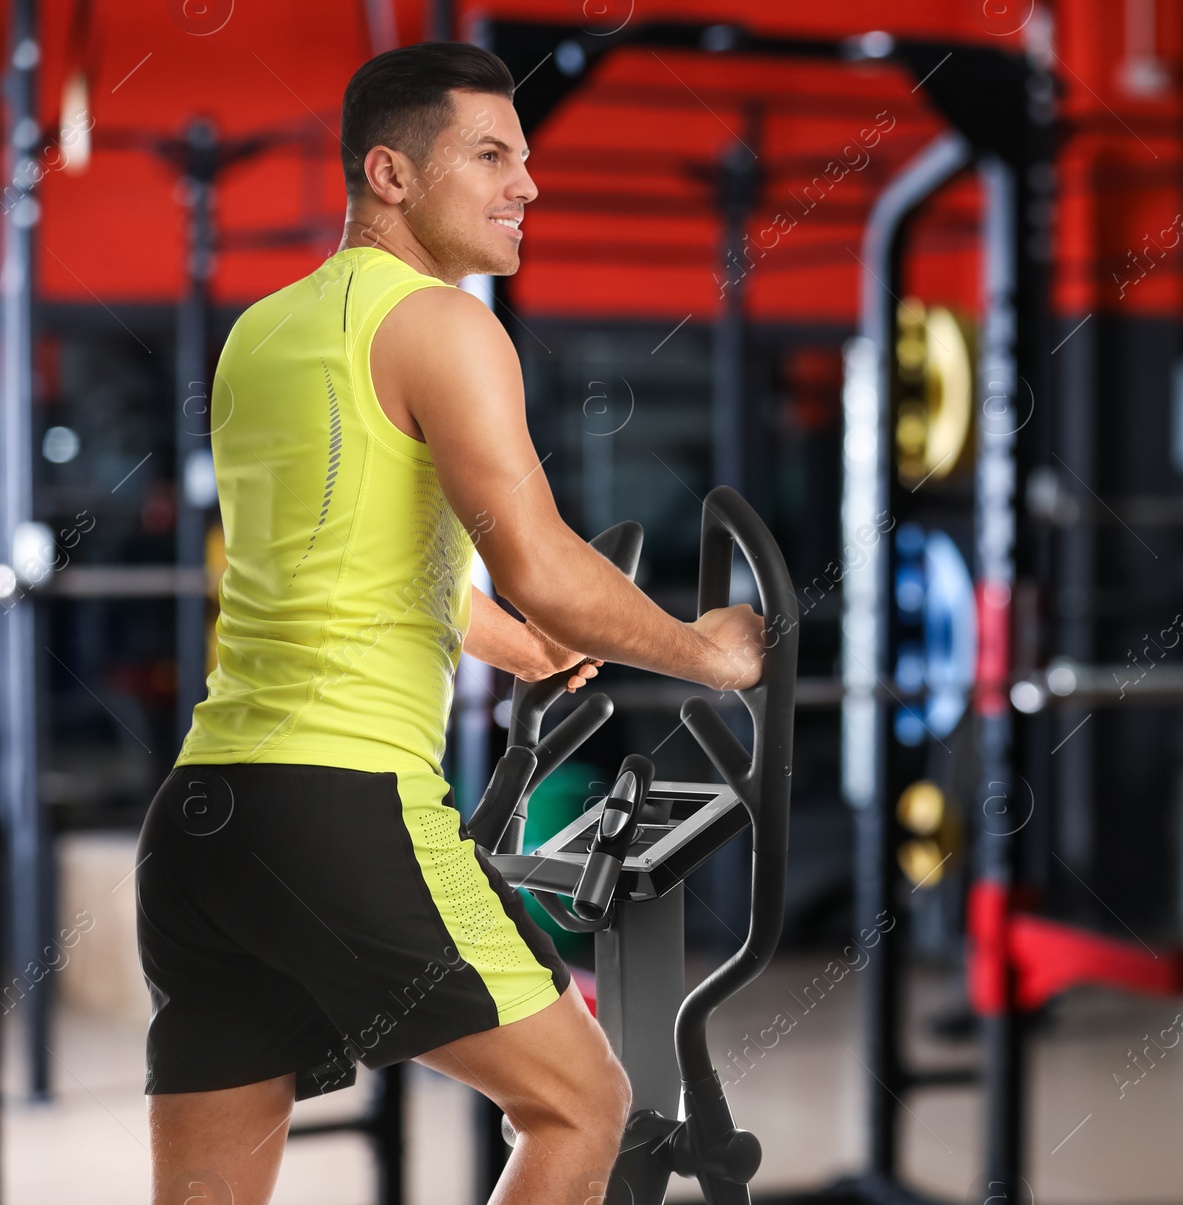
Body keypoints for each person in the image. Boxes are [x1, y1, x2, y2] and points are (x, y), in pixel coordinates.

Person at [136, 41, 766, 1205]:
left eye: (525, 157)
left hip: (204, 822)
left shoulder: (258, 335)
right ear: (390, 172)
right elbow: (549, 568)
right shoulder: (447, 326)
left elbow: (339, 566)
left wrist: (510, 644)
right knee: (581, 1104)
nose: (526, 183)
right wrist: (712, 654)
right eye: (489, 155)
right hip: (342, 800)